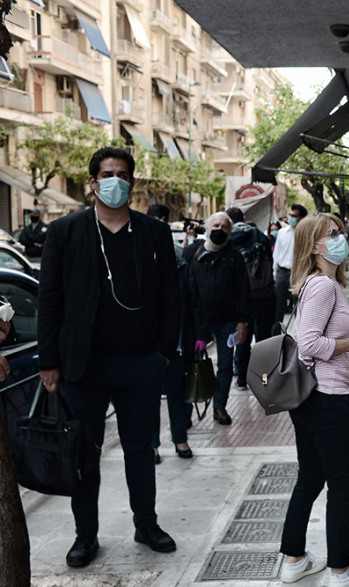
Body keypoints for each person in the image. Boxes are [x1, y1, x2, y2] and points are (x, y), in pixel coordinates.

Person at [37, 147, 181, 567]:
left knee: (141, 449)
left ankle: (146, 523)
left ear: (132, 183)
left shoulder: (154, 232)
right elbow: (49, 299)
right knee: (85, 453)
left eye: (122, 174)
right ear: (93, 182)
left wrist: (166, 352)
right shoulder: (65, 232)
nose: (114, 180)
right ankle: (85, 535)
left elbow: (171, 295)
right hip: (85, 366)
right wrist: (49, 362)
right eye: (106, 174)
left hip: (141, 364)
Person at [278, 212, 349, 586]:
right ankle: (341, 570)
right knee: (341, 483)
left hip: (307, 397)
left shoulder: (316, 284)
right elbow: (310, 344)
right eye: (333, 234)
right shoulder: (323, 286)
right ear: (314, 247)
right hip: (327, 398)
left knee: (310, 477)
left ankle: (293, 560)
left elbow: (317, 333)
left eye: (340, 231)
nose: (341, 237)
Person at [146, 204, 206, 462]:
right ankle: (152, 445)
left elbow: (195, 305)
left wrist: (201, 337)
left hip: (179, 345)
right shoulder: (139, 268)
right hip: (147, 348)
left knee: (179, 396)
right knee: (147, 399)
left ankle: (180, 439)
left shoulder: (181, 267)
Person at [182, 212, 249, 426]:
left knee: (226, 366)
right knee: (189, 367)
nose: (219, 229)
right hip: (195, 322)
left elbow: (243, 291)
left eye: (224, 226)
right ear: (207, 228)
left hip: (227, 321)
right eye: (216, 225)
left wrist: (242, 321)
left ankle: (219, 407)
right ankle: (185, 413)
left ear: (230, 231)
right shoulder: (191, 252)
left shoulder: (235, 256)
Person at [226, 206, 276, 392]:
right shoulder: (259, 235)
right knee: (264, 340)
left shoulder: (229, 239)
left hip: (241, 299)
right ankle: (264, 380)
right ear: (244, 218)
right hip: (264, 294)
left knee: (242, 339)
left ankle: (241, 379)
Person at [273, 204, 307, 324]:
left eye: (294, 216)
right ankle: (276, 337)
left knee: (299, 306)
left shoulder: (305, 235)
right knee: (278, 306)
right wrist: (274, 272)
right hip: (282, 272)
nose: (291, 218)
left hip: (299, 273)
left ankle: (300, 338)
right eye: (290, 215)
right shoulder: (282, 232)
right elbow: (276, 253)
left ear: (301, 218)